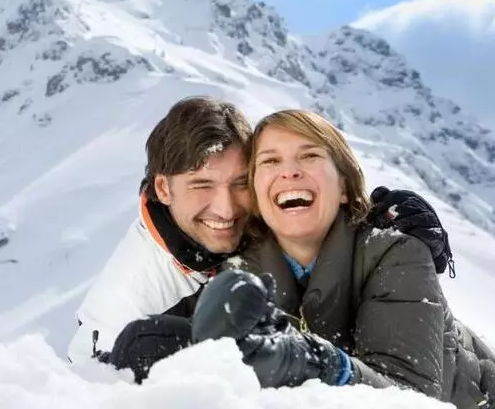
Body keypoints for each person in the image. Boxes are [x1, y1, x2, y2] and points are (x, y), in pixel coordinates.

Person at [66, 97, 454, 379]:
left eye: (240, 183)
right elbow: (88, 383)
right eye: (202, 185)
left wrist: (376, 218)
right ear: (164, 190)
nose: (227, 209)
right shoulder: (133, 298)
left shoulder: (260, 237)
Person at [191, 109, 495, 408]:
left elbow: (411, 399)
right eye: (270, 160)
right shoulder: (240, 271)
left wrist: (322, 364)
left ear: (345, 188)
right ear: (255, 196)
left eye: (310, 155)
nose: (289, 171)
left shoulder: (396, 255)